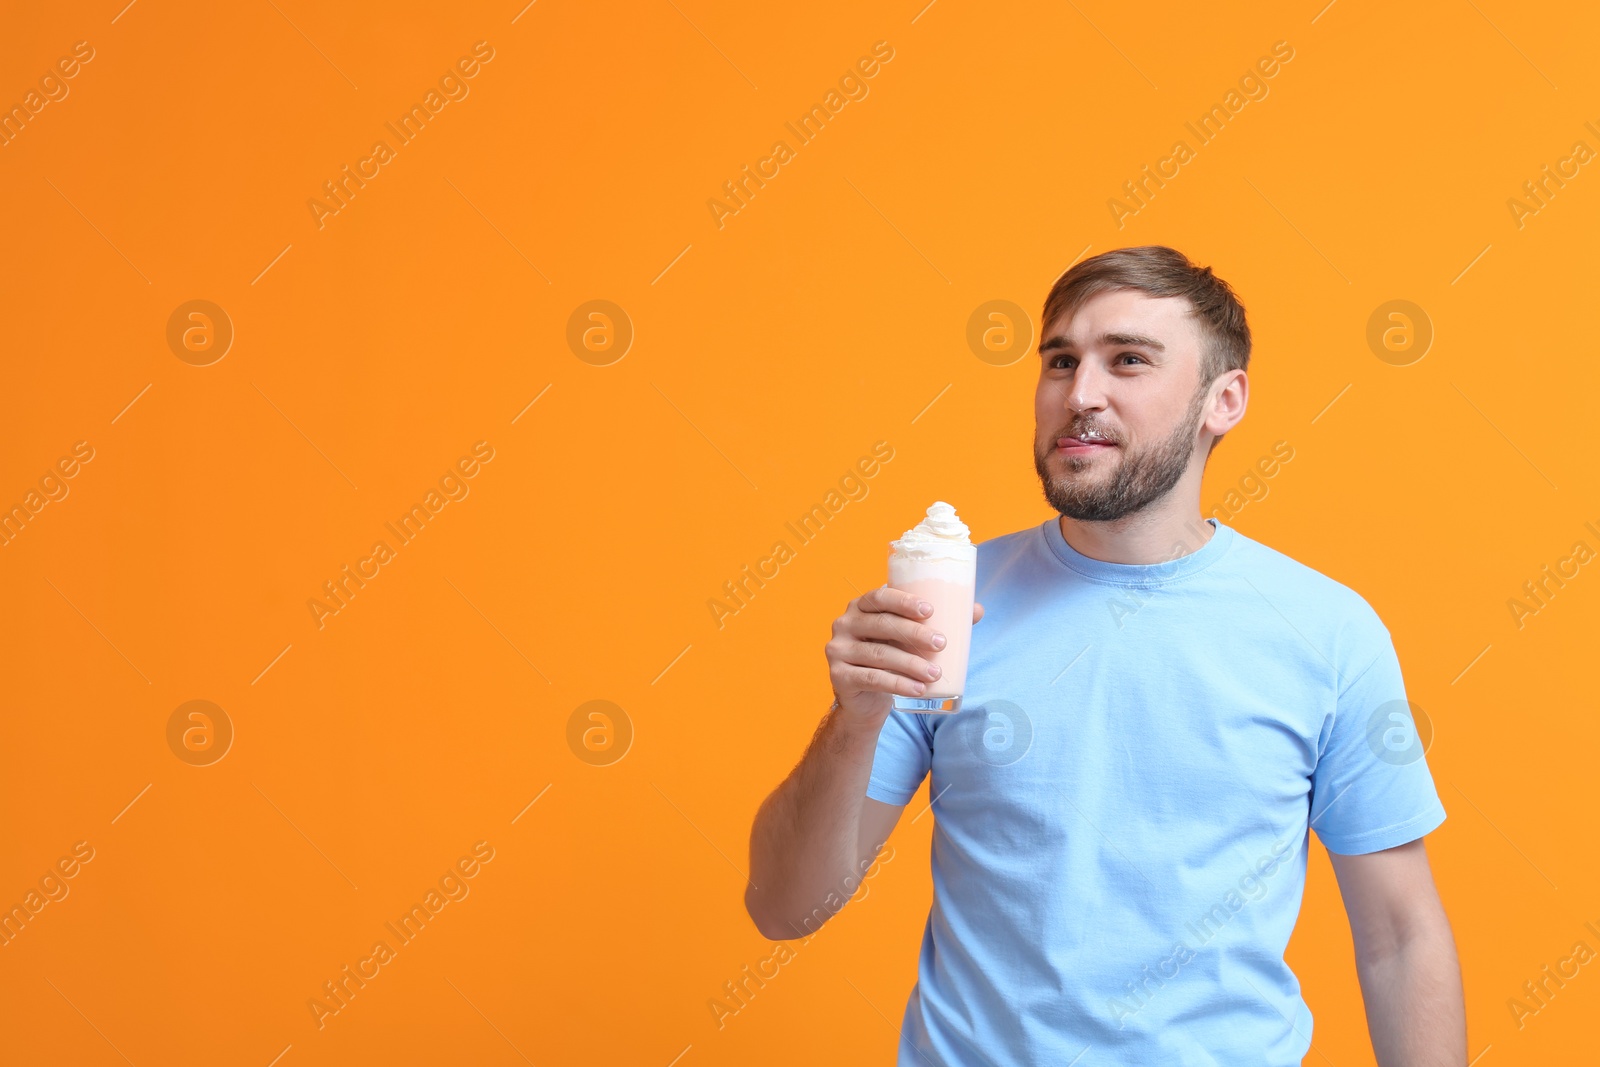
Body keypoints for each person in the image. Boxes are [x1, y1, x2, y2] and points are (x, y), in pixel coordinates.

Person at [744, 246, 1465, 1065]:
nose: (1079, 394)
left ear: (1222, 400)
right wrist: (853, 718)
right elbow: (786, 906)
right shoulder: (946, 610)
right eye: (1060, 361)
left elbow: (1402, 938)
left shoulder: (1329, 632)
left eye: (1127, 360)